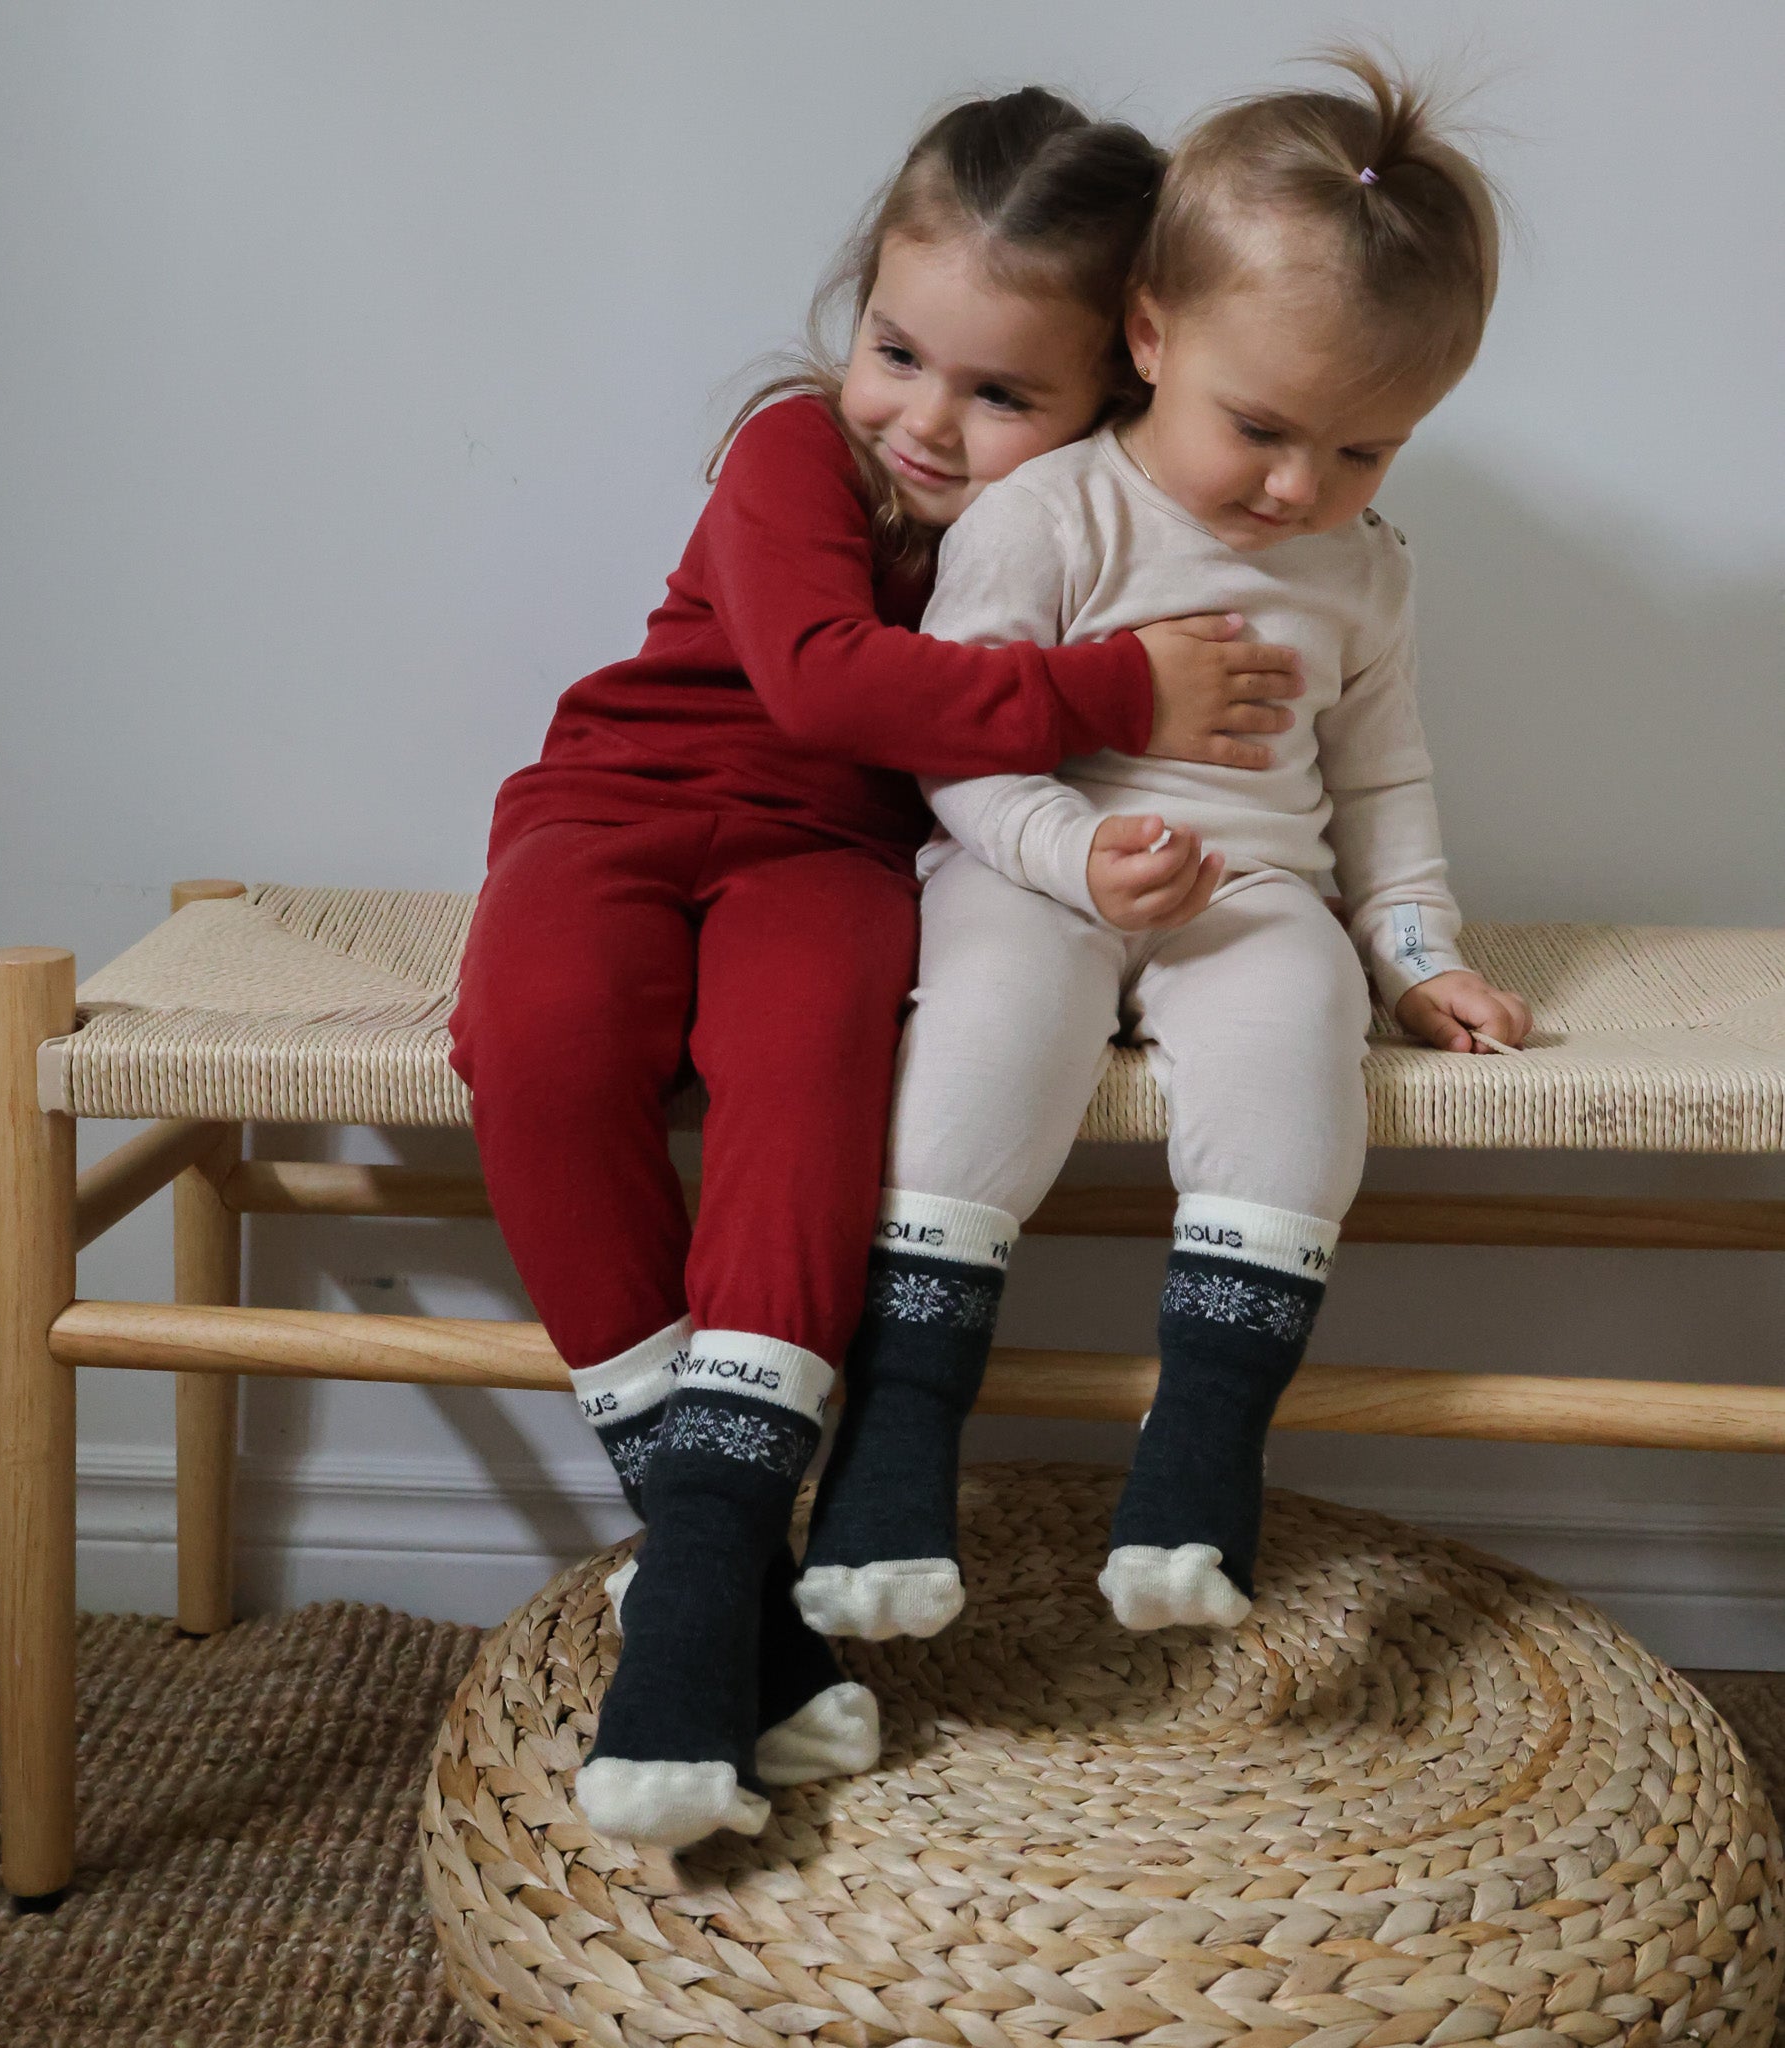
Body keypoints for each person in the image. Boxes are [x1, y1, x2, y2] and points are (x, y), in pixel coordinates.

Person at [448, 86, 1306, 1848]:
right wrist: (1116, 689)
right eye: (899, 350)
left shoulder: (1086, 516)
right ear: (858, 308)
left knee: (817, 1076)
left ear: (1112, 392)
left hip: (837, 858)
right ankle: (726, 1581)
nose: (924, 418)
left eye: (1000, 392)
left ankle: (697, 1580)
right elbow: (827, 680)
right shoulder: (792, 448)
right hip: (619, 800)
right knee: (529, 1043)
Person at [797, 49, 1534, 1647]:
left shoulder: (1364, 575)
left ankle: (1200, 1467)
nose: (1298, 487)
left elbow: (1386, 792)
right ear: (1149, 336)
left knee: (1295, 1053)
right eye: (1262, 428)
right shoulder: (1054, 515)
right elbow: (956, 746)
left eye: (1363, 451)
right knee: (985, 1037)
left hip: (1253, 888)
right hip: (1028, 862)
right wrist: (1069, 858)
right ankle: (895, 1453)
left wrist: (1416, 959)